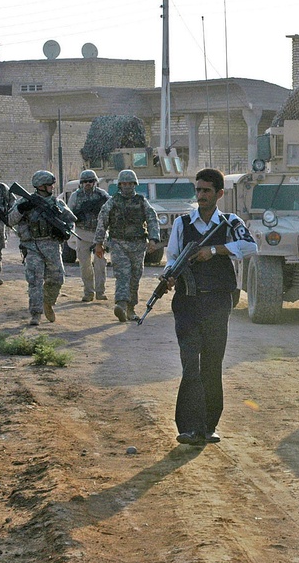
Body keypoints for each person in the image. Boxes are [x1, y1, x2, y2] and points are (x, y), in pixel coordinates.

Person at [164, 168, 257, 446]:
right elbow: (172, 256)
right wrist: (169, 275)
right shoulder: (183, 223)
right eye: (198, 190)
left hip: (217, 302)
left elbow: (251, 246)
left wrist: (215, 250)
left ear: (219, 194)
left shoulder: (229, 223)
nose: (201, 195)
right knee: (190, 363)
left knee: (212, 364)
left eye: (206, 191)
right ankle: (189, 427)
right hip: (188, 303)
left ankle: (209, 426)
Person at [8, 170, 77, 326]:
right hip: (31, 245)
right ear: (40, 186)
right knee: (34, 280)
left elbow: (71, 220)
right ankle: (36, 313)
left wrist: (64, 230)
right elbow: (10, 220)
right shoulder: (23, 202)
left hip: (51, 246)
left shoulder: (57, 203)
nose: (52, 188)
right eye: (49, 185)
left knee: (58, 277)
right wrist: (22, 208)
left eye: (52, 185)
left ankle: (48, 302)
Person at [93, 169, 160, 322]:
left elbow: (152, 219)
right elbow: (102, 222)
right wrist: (99, 243)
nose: (127, 186)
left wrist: (153, 239)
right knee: (123, 274)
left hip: (138, 245)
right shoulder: (112, 202)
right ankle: (121, 305)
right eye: (124, 183)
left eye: (130, 183)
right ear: (119, 185)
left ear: (135, 184)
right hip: (118, 244)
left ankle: (131, 309)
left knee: (135, 276)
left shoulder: (141, 201)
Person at [67, 169, 110, 302]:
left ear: (95, 182)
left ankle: (100, 292)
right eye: (85, 182)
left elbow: (110, 211)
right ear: (81, 183)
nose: (88, 184)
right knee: (85, 265)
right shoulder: (76, 196)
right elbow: (69, 213)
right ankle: (88, 292)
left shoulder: (102, 195)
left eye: (90, 181)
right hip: (82, 234)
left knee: (100, 264)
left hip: (99, 235)